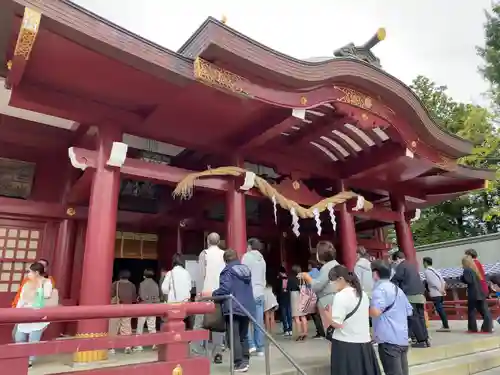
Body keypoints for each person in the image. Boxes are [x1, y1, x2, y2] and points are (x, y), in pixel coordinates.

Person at [328, 265, 381, 375]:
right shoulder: (363, 295)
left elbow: (336, 323)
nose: (331, 285)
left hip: (345, 344)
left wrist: (327, 314)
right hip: (364, 343)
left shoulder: (340, 296)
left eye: (332, 281)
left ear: (340, 279)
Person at [210, 249, 256, 373]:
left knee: (233, 336)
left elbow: (225, 288)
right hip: (246, 306)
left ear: (225, 260)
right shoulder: (246, 270)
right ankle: (245, 360)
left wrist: (213, 294)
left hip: (233, 306)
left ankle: (239, 363)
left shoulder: (227, 271)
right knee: (243, 335)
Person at [371, 260, 413, 375]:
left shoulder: (379, 290)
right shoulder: (398, 289)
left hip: (388, 339)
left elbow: (375, 312)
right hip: (402, 338)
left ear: (375, 274)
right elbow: (409, 311)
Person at [193, 232, 226, 363]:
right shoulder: (224, 254)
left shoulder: (204, 254)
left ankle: (197, 351)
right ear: (218, 242)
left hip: (206, 292)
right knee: (218, 323)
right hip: (220, 293)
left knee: (199, 322)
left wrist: (199, 293)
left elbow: (201, 274)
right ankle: (218, 352)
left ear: (207, 241)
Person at [15, 262, 53, 368]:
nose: (28, 274)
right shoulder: (27, 284)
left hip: (38, 314)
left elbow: (46, 295)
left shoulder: (46, 282)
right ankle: (20, 357)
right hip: (25, 312)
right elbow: (22, 299)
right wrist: (16, 311)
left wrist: (39, 286)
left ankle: (29, 360)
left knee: (33, 339)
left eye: (30, 272)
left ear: (36, 272)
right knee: (19, 337)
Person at [391, 252, 429, 348]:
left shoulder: (401, 266)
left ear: (398, 259)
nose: (395, 263)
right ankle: (425, 339)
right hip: (420, 294)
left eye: (395, 261)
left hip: (410, 295)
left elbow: (395, 279)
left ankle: (420, 341)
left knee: (413, 318)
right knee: (421, 317)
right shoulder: (411, 266)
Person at [300, 241, 339, 329]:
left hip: (328, 302)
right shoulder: (336, 265)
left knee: (331, 332)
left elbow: (317, 286)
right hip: (335, 300)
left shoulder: (327, 268)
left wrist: (307, 278)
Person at [242, 238, 266, 356]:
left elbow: (243, 274)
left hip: (249, 291)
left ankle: (250, 345)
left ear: (250, 246)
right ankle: (260, 347)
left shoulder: (247, 257)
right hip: (260, 291)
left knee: (245, 320)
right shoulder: (262, 259)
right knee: (258, 321)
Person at [461, 256, 493, 333]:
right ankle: (487, 328)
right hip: (480, 291)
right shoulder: (475, 270)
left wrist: (461, 278)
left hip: (473, 292)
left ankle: (472, 328)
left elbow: (469, 281)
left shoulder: (467, 270)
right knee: (484, 311)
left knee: (471, 311)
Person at [109, 269, 137, 354]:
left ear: (120, 275)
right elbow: (133, 298)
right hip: (128, 308)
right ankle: (127, 346)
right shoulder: (132, 285)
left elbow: (111, 295)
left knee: (113, 328)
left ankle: (111, 348)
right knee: (126, 327)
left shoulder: (115, 284)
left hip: (116, 308)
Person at [134, 269, 160, 352]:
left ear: (144, 276)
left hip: (143, 306)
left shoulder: (142, 284)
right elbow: (157, 296)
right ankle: (154, 343)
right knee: (152, 326)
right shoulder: (155, 284)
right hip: (152, 307)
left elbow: (141, 295)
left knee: (140, 326)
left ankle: (139, 345)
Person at [422, 257, 449, 331]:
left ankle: (445, 325)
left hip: (436, 292)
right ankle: (445, 324)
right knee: (441, 309)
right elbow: (443, 281)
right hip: (441, 292)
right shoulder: (435, 270)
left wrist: (439, 289)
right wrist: (442, 289)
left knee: (439, 309)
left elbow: (431, 282)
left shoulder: (427, 271)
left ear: (425, 263)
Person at [288, 265, 308, 341]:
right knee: (303, 316)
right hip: (302, 296)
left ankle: (299, 334)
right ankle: (305, 333)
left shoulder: (291, 278)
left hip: (294, 295)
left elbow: (288, 288)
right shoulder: (303, 278)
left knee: (296, 317)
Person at [307, 259, 325, 338]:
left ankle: (320, 332)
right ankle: (324, 330)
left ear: (310, 266)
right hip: (320, 295)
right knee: (321, 314)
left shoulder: (309, 274)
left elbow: (307, 285)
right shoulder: (320, 272)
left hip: (312, 295)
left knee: (314, 315)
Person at [277, 266, 292, 336]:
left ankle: (286, 329)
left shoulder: (279, 279)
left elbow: (278, 289)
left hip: (282, 298)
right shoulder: (289, 278)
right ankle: (290, 329)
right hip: (288, 297)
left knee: (284, 315)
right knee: (289, 314)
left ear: (280, 272)